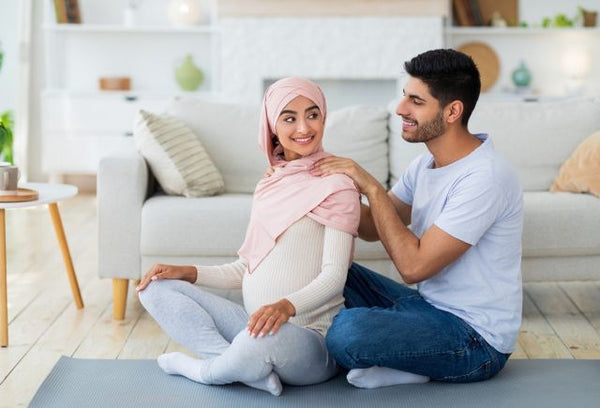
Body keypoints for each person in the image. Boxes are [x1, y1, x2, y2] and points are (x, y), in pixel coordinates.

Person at [311, 48, 523, 388]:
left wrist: (371, 186)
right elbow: (370, 228)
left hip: (475, 341)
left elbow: (414, 267)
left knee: (349, 332)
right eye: (404, 96)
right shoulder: (425, 164)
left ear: (453, 111)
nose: (400, 109)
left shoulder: (486, 177)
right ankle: (409, 360)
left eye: (416, 101)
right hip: (428, 309)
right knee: (324, 267)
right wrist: (318, 185)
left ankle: (411, 362)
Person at [136, 77, 360, 396]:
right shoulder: (269, 184)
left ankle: (204, 370)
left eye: (313, 115)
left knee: (261, 338)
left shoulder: (337, 185)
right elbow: (246, 268)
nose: (304, 128)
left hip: (308, 340)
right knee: (154, 288)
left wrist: (285, 307)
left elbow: (334, 277)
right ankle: (244, 367)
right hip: (253, 325)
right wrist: (188, 272)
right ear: (272, 126)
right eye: (289, 118)